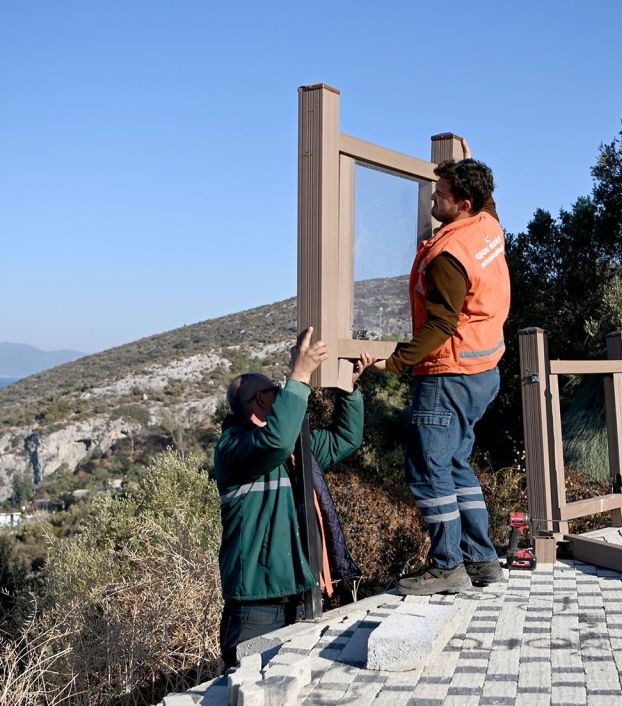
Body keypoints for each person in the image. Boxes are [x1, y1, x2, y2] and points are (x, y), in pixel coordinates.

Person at [370, 158, 510, 595]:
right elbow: (489, 199)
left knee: (428, 470)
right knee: (454, 464)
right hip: (484, 371)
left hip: (448, 374)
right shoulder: (487, 227)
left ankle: (447, 565)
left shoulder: (449, 255)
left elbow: (440, 326)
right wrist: (470, 159)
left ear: (462, 203)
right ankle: (483, 560)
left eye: (441, 193)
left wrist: (393, 363)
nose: (432, 197)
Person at [213, 326, 372, 665]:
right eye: (276, 391)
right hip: (256, 608)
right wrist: (299, 373)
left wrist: (349, 390)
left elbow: (346, 438)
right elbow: (276, 441)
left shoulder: (295, 450)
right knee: (249, 691)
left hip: (300, 598)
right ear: (260, 401)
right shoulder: (235, 448)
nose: (285, 394)